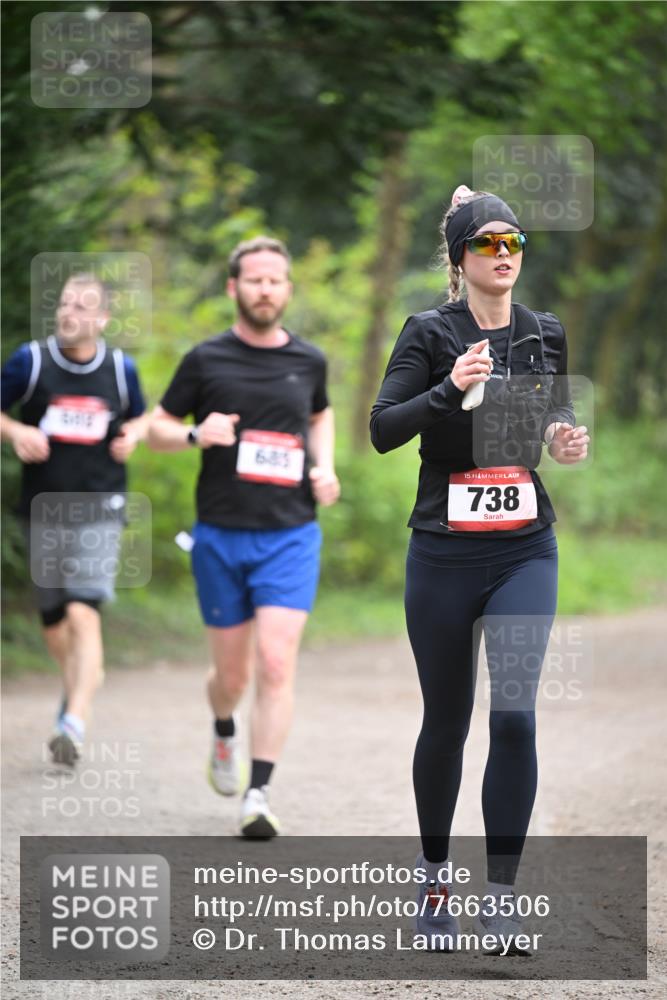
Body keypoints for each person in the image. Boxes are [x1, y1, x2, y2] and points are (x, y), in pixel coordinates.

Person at [370, 186, 589, 952]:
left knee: (514, 716)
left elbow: (546, 420)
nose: (502, 255)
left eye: (513, 243)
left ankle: (500, 901)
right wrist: (447, 388)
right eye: (486, 243)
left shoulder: (541, 333)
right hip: (442, 550)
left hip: (524, 543)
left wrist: (561, 438)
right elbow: (381, 431)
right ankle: (434, 883)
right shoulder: (429, 331)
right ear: (459, 259)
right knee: (448, 719)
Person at [148, 236, 340, 839]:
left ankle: (257, 793)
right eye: (254, 280)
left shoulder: (309, 361)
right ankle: (224, 728)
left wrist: (324, 466)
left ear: (288, 288)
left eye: (276, 280)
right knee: (230, 678)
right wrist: (193, 436)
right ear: (234, 287)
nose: (265, 289)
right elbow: (154, 426)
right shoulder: (206, 360)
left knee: (276, 662)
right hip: (221, 536)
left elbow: (319, 414)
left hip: (290, 534)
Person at [1, 273, 148, 765]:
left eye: (84, 307)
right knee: (52, 621)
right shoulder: (31, 361)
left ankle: (74, 720)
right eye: (65, 304)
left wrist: (134, 436)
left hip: (100, 507)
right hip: (42, 507)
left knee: (84, 611)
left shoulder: (122, 370)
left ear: (103, 319)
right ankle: (83, 679)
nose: (70, 313)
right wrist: (17, 430)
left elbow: (143, 419)